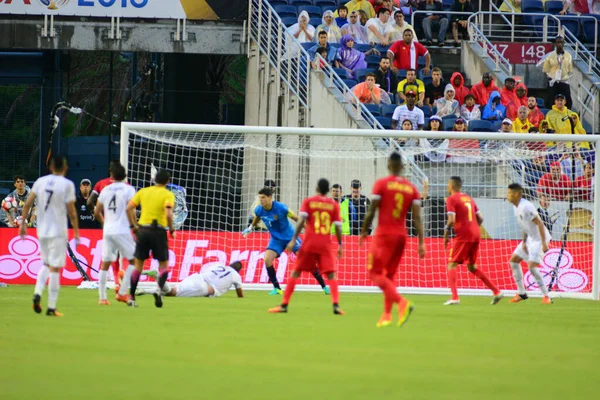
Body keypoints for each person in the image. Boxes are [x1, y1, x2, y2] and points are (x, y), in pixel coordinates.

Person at [359, 152, 424, 327]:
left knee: (374, 273)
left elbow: (371, 211)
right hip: (402, 236)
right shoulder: (412, 188)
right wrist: (421, 242)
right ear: (402, 167)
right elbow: (417, 218)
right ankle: (387, 315)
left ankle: (402, 302)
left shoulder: (382, 184)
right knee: (390, 276)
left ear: (389, 164)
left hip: (385, 234)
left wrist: (364, 231)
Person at [269, 179, 345, 315]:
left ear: (316, 188)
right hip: (325, 244)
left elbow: (301, 221)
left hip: (309, 243)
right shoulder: (334, 205)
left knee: (296, 272)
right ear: (328, 190)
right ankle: (336, 305)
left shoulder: (309, 201)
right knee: (331, 274)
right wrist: (340, 244)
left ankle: (284, 305)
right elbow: (338, 227)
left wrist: (293, 240)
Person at [20, 155, 79, 317]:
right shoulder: (67, 184)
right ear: (65, 167)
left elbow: (28, 203)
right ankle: (51, 307)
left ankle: (38, 292)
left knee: (46, 264)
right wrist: (76, 231)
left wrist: (23, 224)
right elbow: (72, 211)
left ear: (51, 167)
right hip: (58, 231)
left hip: (42, 230)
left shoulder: (40, 182)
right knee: (55, 268)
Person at [243, 187, 329, 295]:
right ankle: (277, 288)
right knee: (267, 259)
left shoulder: (281, 208)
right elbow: (257, 218)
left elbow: (296, 218)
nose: (261, 200)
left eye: (263, 197)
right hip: (276, 239)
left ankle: (324, 286)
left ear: (270, 198)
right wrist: (251, 227)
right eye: (260, 198)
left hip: (290, 237)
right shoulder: (259, 210)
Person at [443, 176, 503, 305]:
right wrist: (473, 227)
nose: (447, 187)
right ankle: (496, 291)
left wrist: (446, 233)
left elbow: (451, 220)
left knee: (452, 264)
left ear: (452, 186)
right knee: (471, 266)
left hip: (464, 235)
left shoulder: (451, 199)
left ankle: (454, 297)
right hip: (476, 233)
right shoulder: (468, 198)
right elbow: (480, 217)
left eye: (448, 184)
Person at [126, 168, 176, 308]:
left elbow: (128, 208)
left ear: (155, 180)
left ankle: (131, 297)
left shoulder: (143, 191)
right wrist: (171, 229)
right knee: (163, 265)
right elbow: (168, 213)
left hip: (142, 230)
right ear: (167, 181)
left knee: (138, 266)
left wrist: (133, 226)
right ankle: (159, 290)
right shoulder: (168, 194)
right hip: (158, 231)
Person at [93, 164, 137, 305]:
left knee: (105, 264)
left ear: (112, 175)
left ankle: (102, 298)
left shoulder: (105, 190)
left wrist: (104, 222)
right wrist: (134, 226)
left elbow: (96, 212)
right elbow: (131, 209)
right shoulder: (128, 189)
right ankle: (123, 293)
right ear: (124, 175)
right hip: (122, 230)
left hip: (108, 230)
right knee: (133, 261)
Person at [506, 183, 553, 304]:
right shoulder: (515, 206)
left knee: (532, 267)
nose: (507, 195)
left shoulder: (526, 206)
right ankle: (521, 293)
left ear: (516, 194)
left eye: (509, 193)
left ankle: (546, 296)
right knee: (513, 260)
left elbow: (540, 224)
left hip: (539, 239)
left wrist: (543, 243)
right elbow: (525, 225)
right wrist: (523, 242)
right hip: (530, 238)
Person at [87, 160, 123, 288]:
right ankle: (118, 279)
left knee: (109, 254)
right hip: (122, 225)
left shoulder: (101, 184)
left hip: (108, 223)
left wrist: (101, 219)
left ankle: (110, 283)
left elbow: (89, 202)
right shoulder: (126, 186)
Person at [141, 262, 244, 298]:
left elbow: (206, 270)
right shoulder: (236, 275)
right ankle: (156, 275)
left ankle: (146, 290)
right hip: (203, 287)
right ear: (238, 271)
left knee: (170, 291)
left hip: (197, 277)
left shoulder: (219, 266)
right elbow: (239, 293)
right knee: (171, 293)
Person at [542, 36, 573, 109]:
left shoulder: (568, 56)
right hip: (553, 81)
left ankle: (567, 116)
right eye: (558, 42)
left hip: (564, 81)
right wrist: (552, 77)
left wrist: (566, 78)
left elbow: (570, 70)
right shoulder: (550, 56)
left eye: (561, 42)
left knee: (568, 100)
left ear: (563, 43)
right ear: (555, 44)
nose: (559, 44)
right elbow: (545, 69)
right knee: (550, 100)